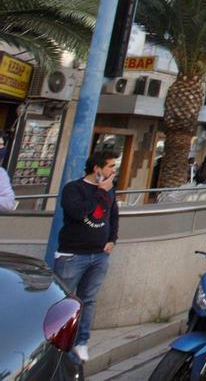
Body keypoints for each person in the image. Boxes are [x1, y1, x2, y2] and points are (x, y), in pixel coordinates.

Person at [54, 150, 120, 362]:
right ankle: (55, 342)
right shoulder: (74, 188)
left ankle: (82, 341)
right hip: (72, 255)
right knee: (62, 299)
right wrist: (101, 192)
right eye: (110, 166)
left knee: (88, 300)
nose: (113, 171)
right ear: (97, 168)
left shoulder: (110, 190)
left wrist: (112, 239)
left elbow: (113, 215)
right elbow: (78, 212)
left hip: (99, 255)